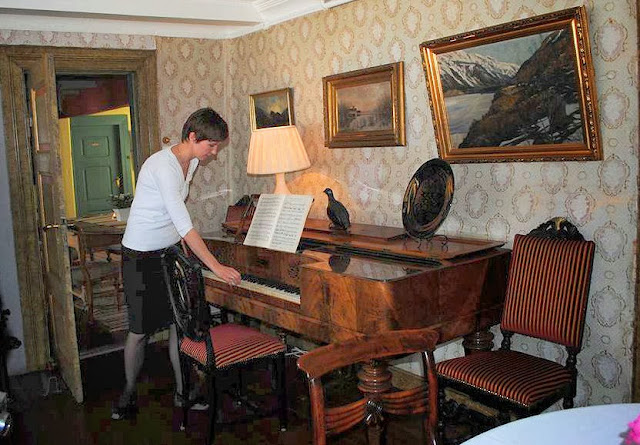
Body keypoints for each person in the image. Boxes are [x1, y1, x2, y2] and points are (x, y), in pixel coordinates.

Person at [111, 108, 242, 420]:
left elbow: (175, 216)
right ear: (192, 137)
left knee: (178, 326)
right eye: (211, 145)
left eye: (218, 147)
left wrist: (180, 247)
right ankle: (128, 393)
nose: (214, 152)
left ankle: (183, 392)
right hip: (140, 255)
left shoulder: (192, 161)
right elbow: (186, 223)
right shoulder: (162, 166)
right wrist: (216, 267)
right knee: (139, 330)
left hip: (168, 251)